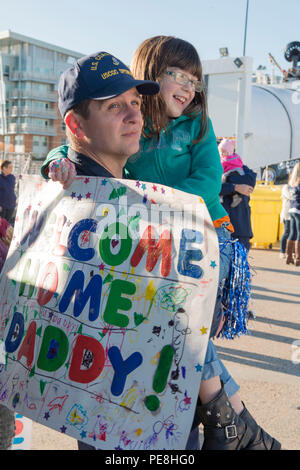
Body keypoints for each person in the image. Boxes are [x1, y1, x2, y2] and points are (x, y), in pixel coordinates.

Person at [41, 39, 280, 451]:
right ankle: (231, 419)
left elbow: (206, 182)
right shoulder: (90, 181)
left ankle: (230, 419)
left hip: (203, 236)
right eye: (116, 105)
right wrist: (54, 162)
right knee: (181, 320)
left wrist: (152, 206)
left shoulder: (197, 127)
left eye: (134, 102)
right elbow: (71, 147)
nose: (187, 88)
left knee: (185, 319)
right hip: (125, 404)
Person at [219, 142, 256, 252]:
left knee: (239, 266)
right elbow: (213, 187)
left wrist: (227, 182)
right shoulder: (216, 168)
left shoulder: (242, 168)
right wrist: (235, 187)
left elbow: (250, 181)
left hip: (241, 228)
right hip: (221, 227)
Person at [218, 139, 245, 208]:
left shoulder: (225, 160)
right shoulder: (236, 157)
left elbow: (221, 169)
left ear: (228, 152)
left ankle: (220, 196)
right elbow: (241, 164)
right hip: (239, 172)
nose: (221, 154)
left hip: (230, 172)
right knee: (233, 186)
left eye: (223, 152)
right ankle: (236, 197)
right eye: (220, 152)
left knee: (222, 180)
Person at [286, 162, 300, 266]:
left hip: (292, 210)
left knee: (292, 232)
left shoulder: (291, 183)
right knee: (299, 233)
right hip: (299, 210)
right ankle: (298, 258)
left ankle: (289, 256)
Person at [0, 161, 16, 225]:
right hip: (2, 206)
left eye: (12, 167)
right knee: (1, 225)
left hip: (11, 205)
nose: (11, 169)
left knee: (7, 225)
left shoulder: (12, 177)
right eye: (10, 167)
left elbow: (11, 190)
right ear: (4, 168)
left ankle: (5, 235)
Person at [280, 179, 292, 259]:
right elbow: (291, 197)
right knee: (287, 232)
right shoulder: (286, 187)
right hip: (287, 214)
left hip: (295, 213)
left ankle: (292, 252)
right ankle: (282, 251)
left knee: (295, 233)